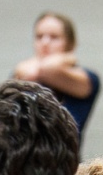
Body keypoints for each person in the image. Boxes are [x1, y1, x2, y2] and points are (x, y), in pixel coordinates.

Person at [11, 14, 98, 146]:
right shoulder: (22, 72)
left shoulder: (87, 78)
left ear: (70, 43)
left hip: (64, 155)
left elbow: (48, 69)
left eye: (54, 37)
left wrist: (67, 58)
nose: (45, 43)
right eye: (39, 36)